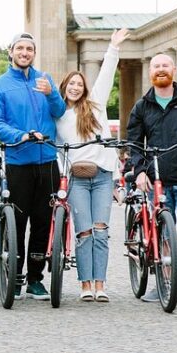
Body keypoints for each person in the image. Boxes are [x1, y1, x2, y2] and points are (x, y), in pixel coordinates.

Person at [125, 53, 177, 308]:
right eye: (156, 66)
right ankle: (163, 282)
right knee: (161, 234)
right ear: (150, 72)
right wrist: (139, 171)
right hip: (156, 178)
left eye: (165, 65)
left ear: (174, 69)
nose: (160, 70)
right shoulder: (142, 106)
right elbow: (134, 143)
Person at [0, 32, 66, 301]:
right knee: (17, 222)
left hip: (48, 160)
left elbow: (60, 111)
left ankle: (36, 279)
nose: (24, 52)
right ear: (11, 52)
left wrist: (52, 93)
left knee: (43, 222)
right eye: (20, 48)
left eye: (29, 48)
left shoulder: (45, 80)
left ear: (34, 53)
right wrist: (18, 135)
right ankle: (15, 277)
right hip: (18, 161)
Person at [56, 28, 127, 302]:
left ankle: (101, 284)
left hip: (102, 176)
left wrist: (113, 48)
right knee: (83, 231)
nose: (75, 87)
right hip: (76, 178)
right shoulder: (59, 116)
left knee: (101, 230)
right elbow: (57, 151)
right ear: (65, 87)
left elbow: (107, 73)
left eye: (79, 84)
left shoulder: (94, 105)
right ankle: (85, 284)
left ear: (84, 88)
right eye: (70, 84)